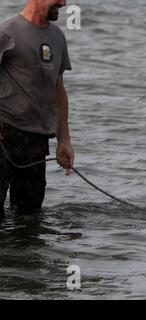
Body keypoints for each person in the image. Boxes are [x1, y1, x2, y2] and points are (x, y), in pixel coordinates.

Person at [0, 0, 74, 215]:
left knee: (30, 217)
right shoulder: (6, 32)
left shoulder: (58, 37)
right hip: (4, 136)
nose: (64, 3)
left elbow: (58, 89)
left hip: (37, 141)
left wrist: (64, 140)